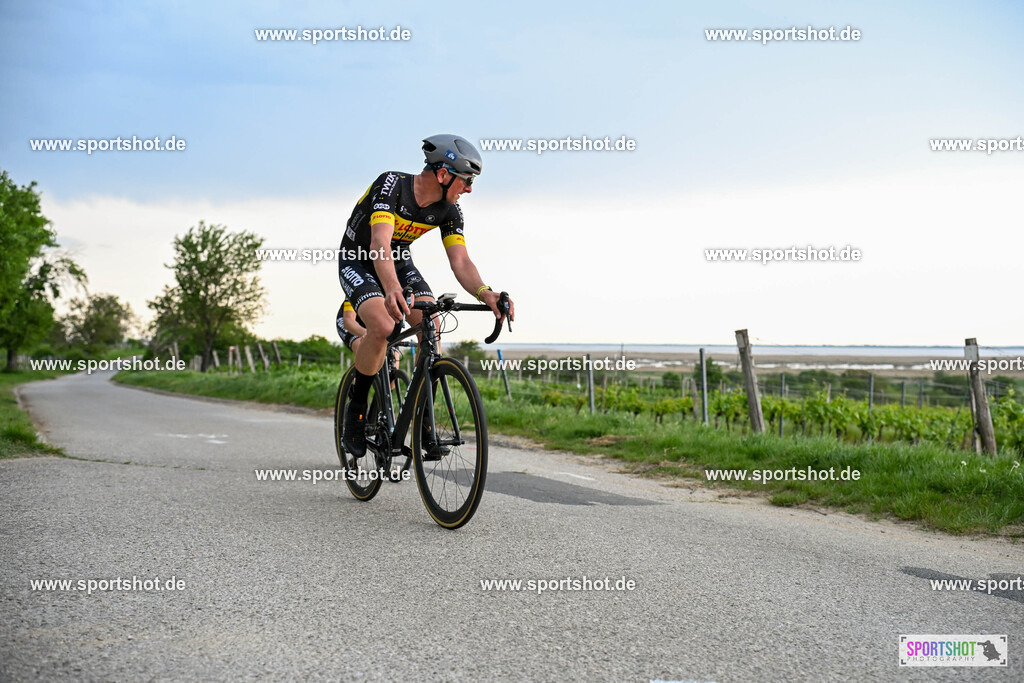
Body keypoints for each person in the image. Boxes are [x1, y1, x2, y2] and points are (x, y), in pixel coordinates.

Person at [338, 134, 514, 457]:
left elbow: (460, 261)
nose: (470, 189)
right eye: (467, 180)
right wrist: (391, 289)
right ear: (443, 174)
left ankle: (422, 422)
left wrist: (485, 293)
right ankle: (357, 408)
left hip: (400, 260)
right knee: (383, 325)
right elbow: (379, 244)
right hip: (361, 258)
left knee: (430, 327)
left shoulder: (450, 211)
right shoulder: (392, 186)